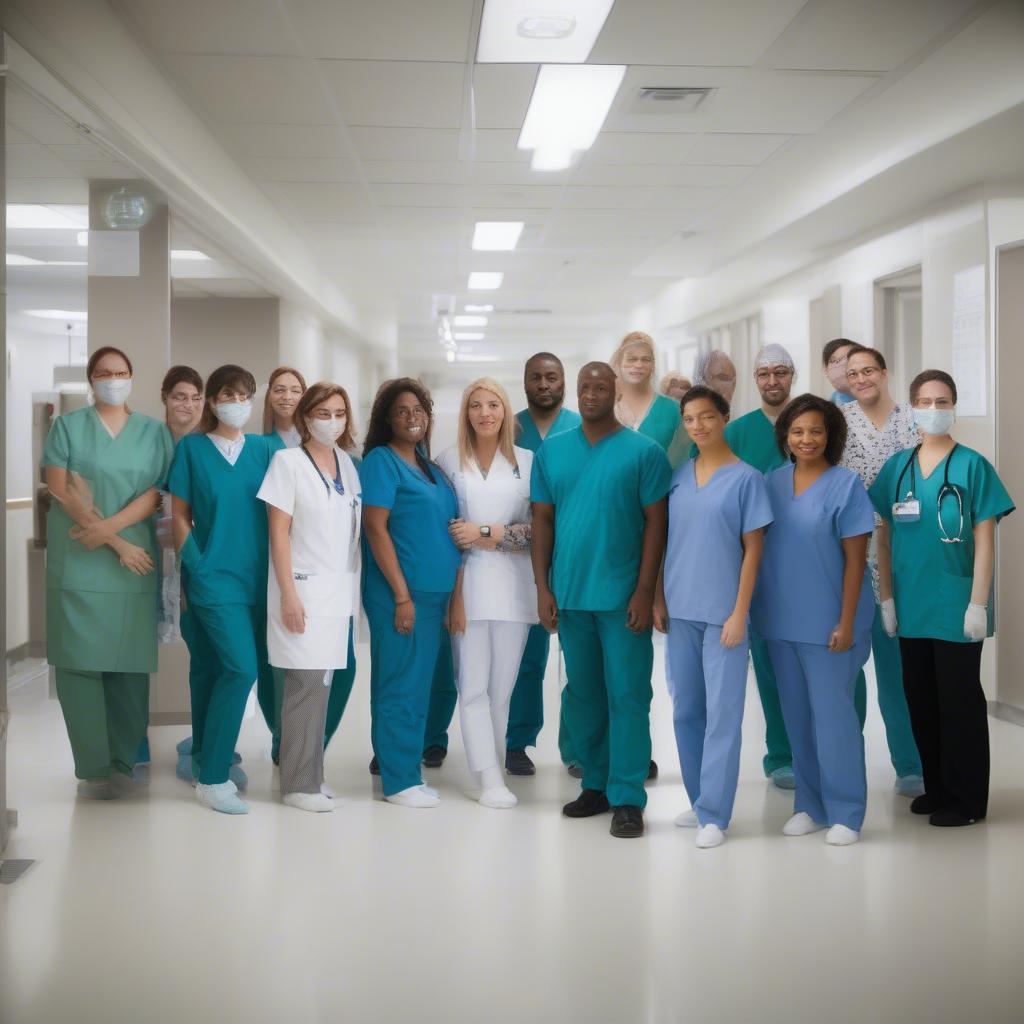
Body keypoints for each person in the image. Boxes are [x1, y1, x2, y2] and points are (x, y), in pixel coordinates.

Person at [532, 362, 670, 839]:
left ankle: (628, 795)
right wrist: (543, 587)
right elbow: (543, 521)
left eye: (600, 387)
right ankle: (595, 785)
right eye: (584, 387)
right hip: (571, 596)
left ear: (616, 393)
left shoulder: (644, 452)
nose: (591, 394)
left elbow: (657, 523)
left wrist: (645, 590)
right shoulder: (552, 453)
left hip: (621, 597)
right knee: (584, 695)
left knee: (628, 696)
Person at [870, 370, 1014, 827]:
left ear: (954, 405)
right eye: (926, 401)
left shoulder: (973, 465)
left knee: (959, 703)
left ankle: (967, 801)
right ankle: (937, 788)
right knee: (921, 698)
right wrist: (887, 599)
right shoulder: (898, 468)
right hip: (911, 604)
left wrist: (978, 603)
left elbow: (986, 539)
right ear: (911, 406)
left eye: (942, 401)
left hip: (956, 603)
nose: (934, 409)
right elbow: (884, 538)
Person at [42, 346, 172, 799]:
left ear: (131, 377)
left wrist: (113, 531)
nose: (112, 379)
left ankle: (122, 757)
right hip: (80, 556)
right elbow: (60, 488)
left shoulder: (154, 432)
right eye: (103, 372)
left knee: (128, 665)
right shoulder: (69, 426)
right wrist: (111, 540)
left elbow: (156, 493)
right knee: (79, 664)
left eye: (120, 372)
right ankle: (92, 764)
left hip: (131, 562)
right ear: (90, 378)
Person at [752, 394, 875, 846]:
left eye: (816, 431)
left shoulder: (846, 486)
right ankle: (810, 804)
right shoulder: (771, 483)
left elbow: (857, 563)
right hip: (780, 623)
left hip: (830, 626)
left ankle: (846, 810)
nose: (807, 439)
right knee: (797, 719)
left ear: (831, 437)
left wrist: (846, 622)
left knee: (834, 719)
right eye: (798, 431)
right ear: (785, 435)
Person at [654, 386, 771, 849]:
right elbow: (667, 542)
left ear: (724, 418)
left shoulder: (746, 479)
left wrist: (740, 612)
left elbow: (754, 549)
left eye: (706, 417)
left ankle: (717, 814)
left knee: (723, 711)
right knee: (685, 708)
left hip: (724, 612)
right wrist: (661, 598)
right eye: (689, 419)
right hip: (681, 609)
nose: (698, 426)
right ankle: (700, 799)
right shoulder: (679, 476)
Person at [168, 364, 278, 814]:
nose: (238, 403)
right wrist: (199, 567)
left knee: (215, 670)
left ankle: (204, 758)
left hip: (260, 580)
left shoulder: (265, 449)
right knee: (240, 670)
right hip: (215, 580)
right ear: (212, 401)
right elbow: (179, 515)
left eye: (246, 395)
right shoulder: (193, 450)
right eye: (229, 395)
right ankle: (213, 778)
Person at [258, 382, 361, 813]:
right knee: (302, 685)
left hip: (336, 594)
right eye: (323, 413)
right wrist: (288, 594)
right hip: (300, 588)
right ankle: (298, 785)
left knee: (322, 685)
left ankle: (313, 775)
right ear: (305, 417)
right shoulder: (287, 463)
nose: (332, 421)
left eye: (339, 413)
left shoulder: (348, 465)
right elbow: (277, 533)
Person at [437, 379, 536, 809]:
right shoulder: (446, 462)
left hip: (515, 589)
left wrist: (486, 533)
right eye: (475, 405)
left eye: (493, 404)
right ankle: (489, 775)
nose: (484, 413)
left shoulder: (529, 463)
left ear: (506, 411)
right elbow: (445, 533)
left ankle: (490, 764)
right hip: (468, 587)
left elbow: (538, 531)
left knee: (503, 688)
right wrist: (454, 595)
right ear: (465, 414)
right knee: (472, 686)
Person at [361, 378, 460, 808]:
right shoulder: (382, 462)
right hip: (402, 596)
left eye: (418, 409)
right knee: (400, 685)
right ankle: (400, 781)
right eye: (401, 410)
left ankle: (404, 766)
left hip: (435, 595)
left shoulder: (430, 467)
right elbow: (375, 528)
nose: (411, 417)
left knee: (419, 686)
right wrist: (402, 596)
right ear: (387, 419)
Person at [840, 346, 924, 796]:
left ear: (885, 372)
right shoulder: (840, 423)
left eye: (868, 370)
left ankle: (909, 765)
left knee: (897, 675)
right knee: (847, 674)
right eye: (853, 373)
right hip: (851, 562)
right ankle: (844, 762)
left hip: (904, 563)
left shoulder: (913, 419)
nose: (861, 378)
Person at [719, 343, 798, 789]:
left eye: (781, 372)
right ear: (755, 379)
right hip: (754, 563)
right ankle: (781, 754)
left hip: (808, 563)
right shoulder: (739, 432)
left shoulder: (812, 422)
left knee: (813, 662)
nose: (773, 380)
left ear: (793, 375)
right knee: (767, 664)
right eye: (764, 373)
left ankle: (823, 749)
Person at [507, 352, 581, 777]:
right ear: (525, 383)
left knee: (579, 660)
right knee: (527, 657)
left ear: (563, 382)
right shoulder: (508, 428)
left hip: (573, 559)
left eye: (552, 377)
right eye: (536, 378)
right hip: (522, 560)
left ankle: (578, 748)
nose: (544, 385)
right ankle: (517, 741)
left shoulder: (583, 426)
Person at [611, 330, 679, 451]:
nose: (638, 365)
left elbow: (683, 457)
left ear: (653, 365)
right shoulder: (606, 407)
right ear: (619, 362)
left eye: (646, 359)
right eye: (632, 359)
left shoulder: (672, 409)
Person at [263, 366, 307, 448]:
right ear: (269, 395)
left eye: (295, 391)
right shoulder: (260, 442)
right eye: (279, 390)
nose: (287, 397)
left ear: (303, 396)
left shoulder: (313, 439)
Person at [823, 338, 857, 406]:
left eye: (850, 358)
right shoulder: (834, 400)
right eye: (836, 361)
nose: (844, 365)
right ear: (825, 370)